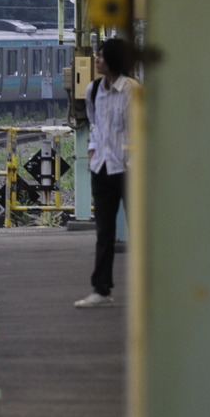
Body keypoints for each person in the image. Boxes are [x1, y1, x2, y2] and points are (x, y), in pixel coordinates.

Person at [75, 38, 140, 308]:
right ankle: (101, 289)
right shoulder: (92, 90)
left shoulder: (133, 91)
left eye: (101, 56)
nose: (97, 61)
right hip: (101, 169)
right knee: (104, 232)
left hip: (128, 170)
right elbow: (95, 124)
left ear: (113, 59)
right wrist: (92, 150)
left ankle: (150, 287)